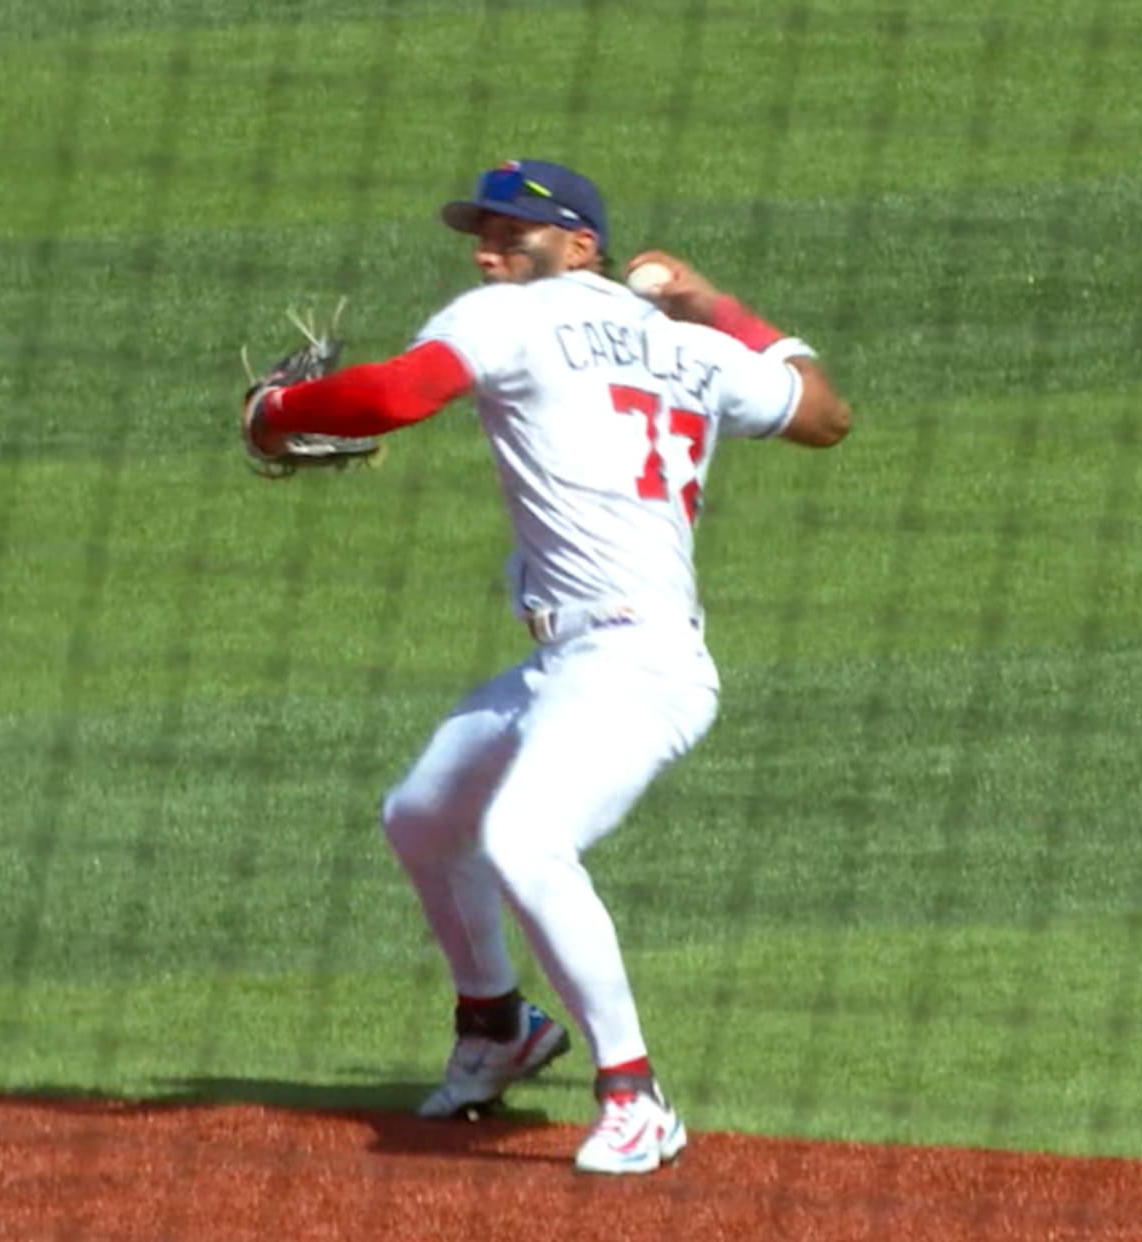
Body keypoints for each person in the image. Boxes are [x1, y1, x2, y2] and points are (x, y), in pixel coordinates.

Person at [243, 159, 850, 1175]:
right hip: (578, 660)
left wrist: (280, 412)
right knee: (424, 817)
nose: (488, 251)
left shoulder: (508, 318)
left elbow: (396, 396)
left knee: (524, 838)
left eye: (511, 234)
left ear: (579, 246)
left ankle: (636, 1095)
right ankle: (499, 1026)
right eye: (479, 233)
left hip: (638, 660)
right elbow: (826, 416)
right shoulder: (688, 345)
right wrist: (718, 305)